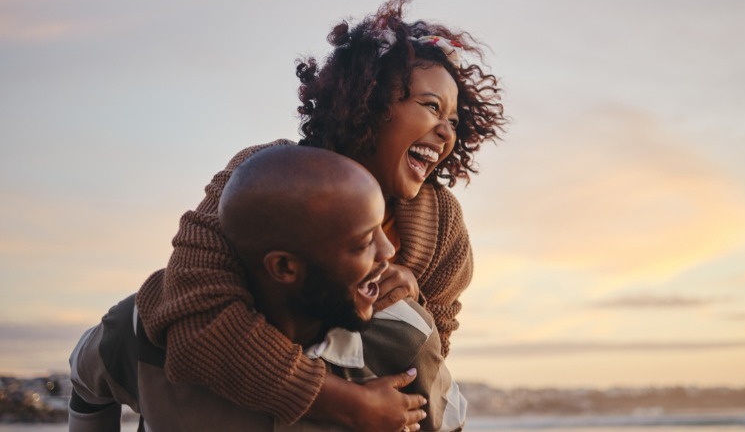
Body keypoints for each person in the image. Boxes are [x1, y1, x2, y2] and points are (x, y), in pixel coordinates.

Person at [135, 0, 505, 431]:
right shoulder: (263, 177)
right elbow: (196, 319)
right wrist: (346, 404)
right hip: (225, 405)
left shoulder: (442, 225)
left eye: (455, 121)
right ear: (370, 101)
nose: (446, 132)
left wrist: (414, 302)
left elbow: (431, 356)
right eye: (430, 106)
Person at [69, 146, 466, 431]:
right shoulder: (146, 328)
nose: (389, 251)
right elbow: (86, 381)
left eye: (383, 227)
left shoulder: (405, 337)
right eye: (363, 243)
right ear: (284, 266)